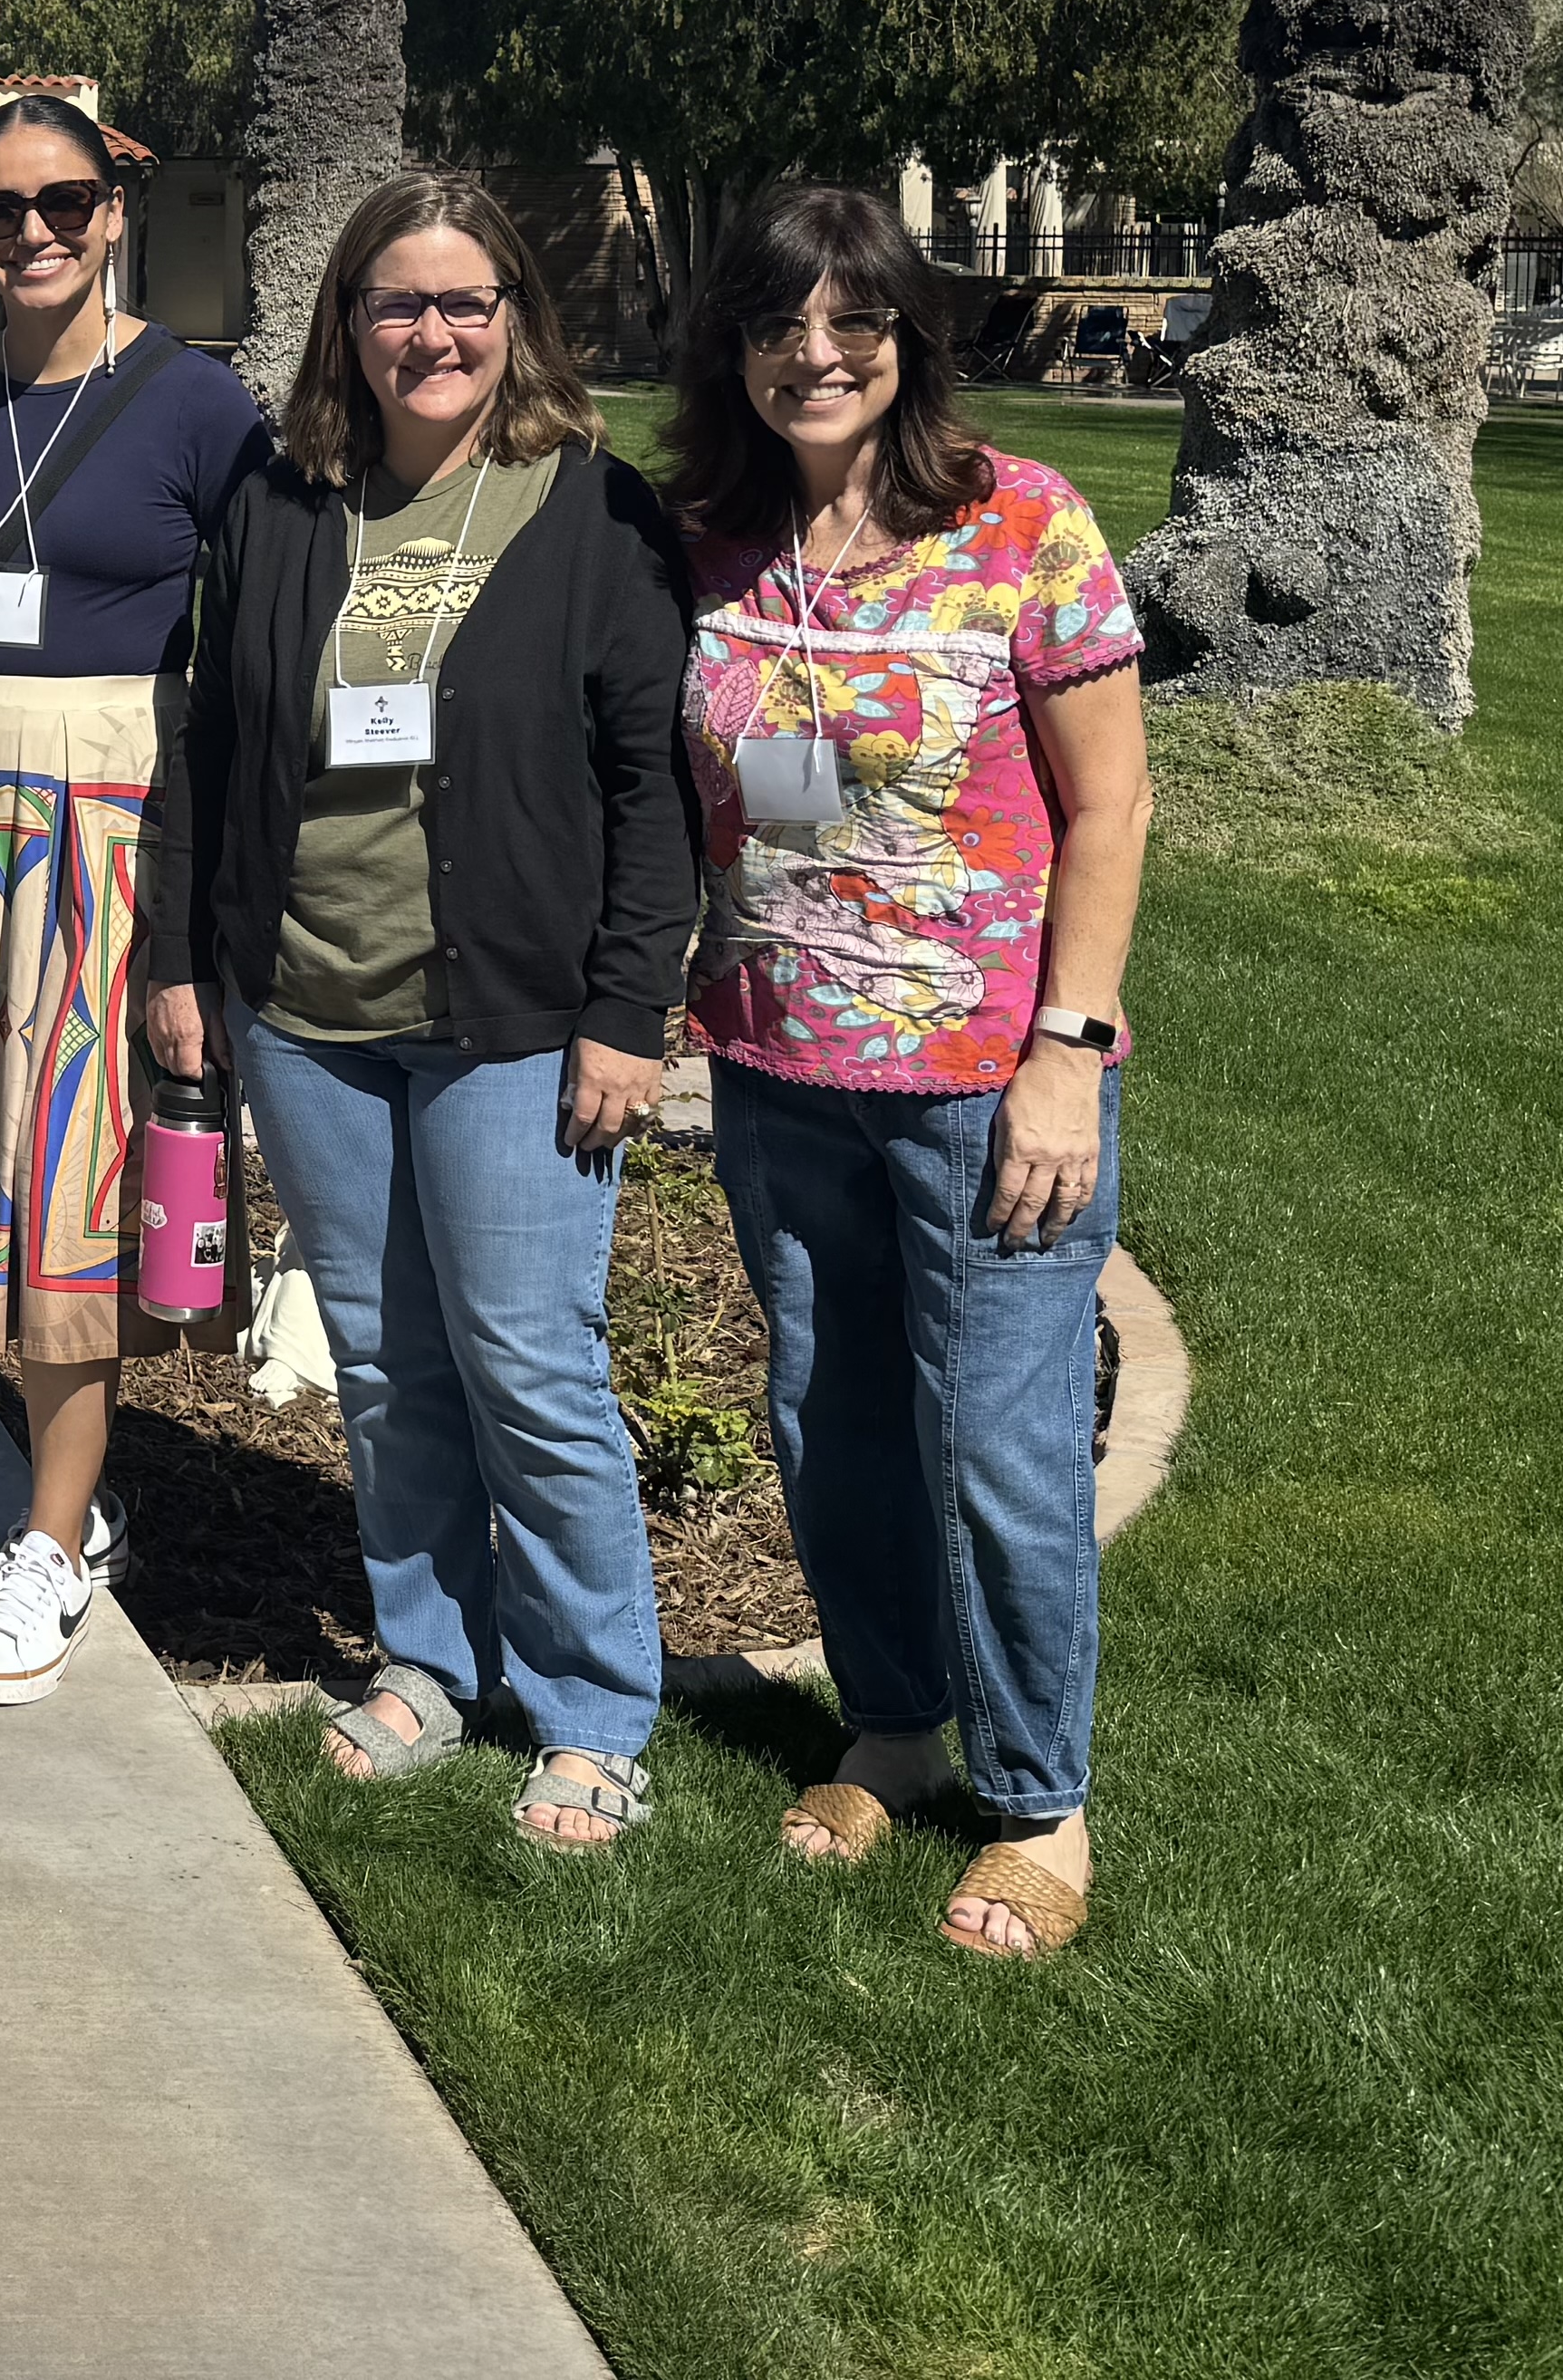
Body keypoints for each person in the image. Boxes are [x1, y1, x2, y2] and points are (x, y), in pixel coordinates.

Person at [140, 169, 699, 1850]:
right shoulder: (286, 504)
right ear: (349, 326)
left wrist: (625, 1012)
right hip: (310, 1004)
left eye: (466, 302)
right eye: (398, 303)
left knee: (531, 1366)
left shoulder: (596, 514)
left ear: (513, 318)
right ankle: (428, 1663)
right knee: (386, 1365)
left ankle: (595, 1710)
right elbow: (210, 749)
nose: (433, 332)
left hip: (518, 1020)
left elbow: (651, 791)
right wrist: (184, 959)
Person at [668, 182, 1150, 1960]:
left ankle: (1039, 1802)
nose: (816, 353)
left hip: (985, 1083)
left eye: (852, 319)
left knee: (1000, 1442)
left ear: (907, 336)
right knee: (831, 1420)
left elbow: (1112, 807)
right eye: (780, 322)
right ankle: (890, 1723)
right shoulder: (709, 539)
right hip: (780, 1067)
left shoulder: (1025, 525)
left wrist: (1066, 1060)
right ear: (733, 347)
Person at [0, 95, 267, 1703]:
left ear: (114, 215)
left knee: (73, 1180)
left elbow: (255, 642)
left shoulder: (194, 402)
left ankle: (53, 1540)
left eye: (66, 202)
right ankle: (68, 1522)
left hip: (108, 823)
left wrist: (195, 909)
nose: (35, 232)